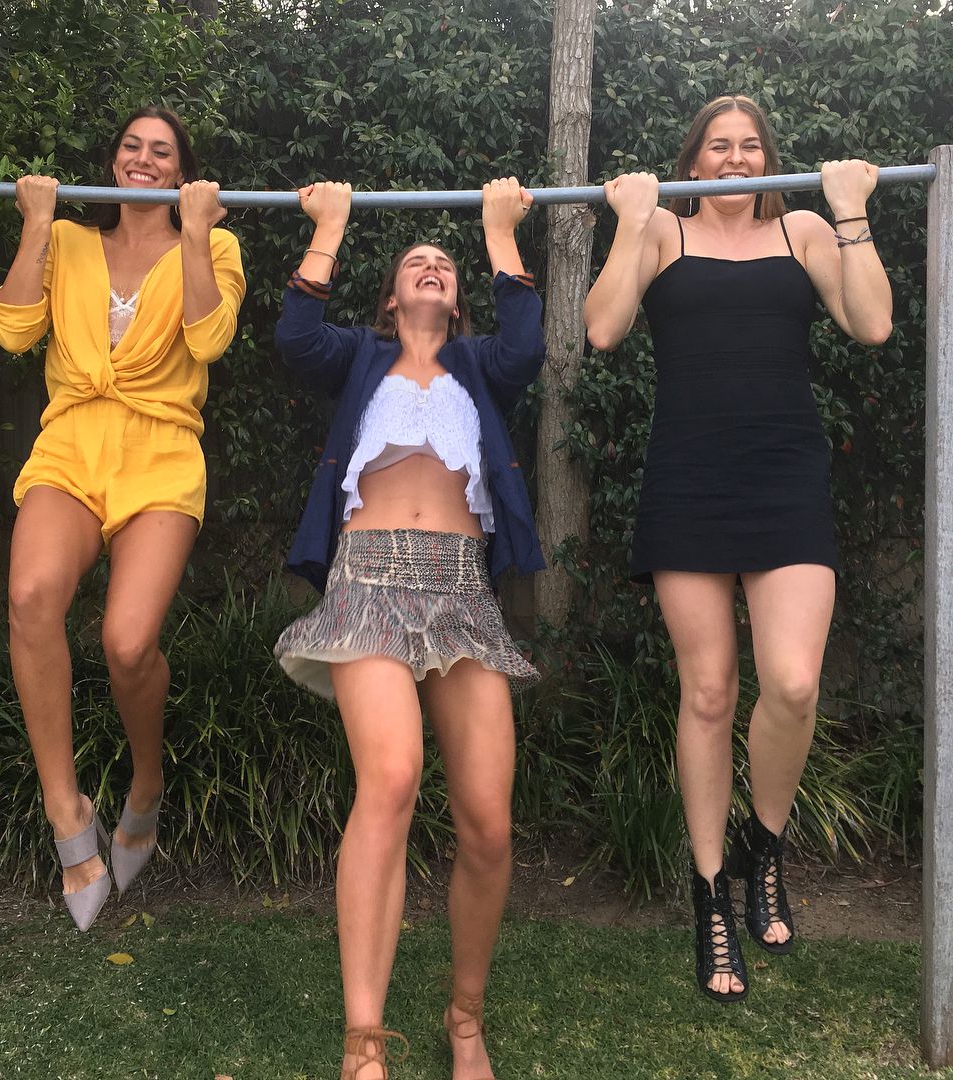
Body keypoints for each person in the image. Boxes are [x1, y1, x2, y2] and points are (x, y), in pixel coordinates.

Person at [583, 94, 892, 1003]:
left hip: (784, 476)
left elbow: (872, 323)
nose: (734, 158)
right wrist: (629, 220)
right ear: (693, 160)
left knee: (792, 683)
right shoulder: (662, 232)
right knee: (710, 691)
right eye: (717, 145)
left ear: (769, 158)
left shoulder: (803, 229)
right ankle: (712, 892)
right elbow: (602, 328)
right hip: (688, 479)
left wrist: (850, 208)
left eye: (750, 145)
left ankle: (766, 845)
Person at [273, 177, 544, 1079]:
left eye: (444, 264)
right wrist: (331, 226)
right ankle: (364, 1043)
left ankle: (465, 1018)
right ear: (390, 298)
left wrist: (499, 235)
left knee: (489, 823)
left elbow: (527, 347)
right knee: (389, 780)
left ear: (458, 300)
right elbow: (295, 338)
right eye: (414, 263)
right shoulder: (360, 357)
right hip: (370, 583)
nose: (431, 265)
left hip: (462, 592)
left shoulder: (479, 367)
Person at [0, 105, 246, 931]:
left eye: (161, 151)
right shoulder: (67, 240)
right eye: (132, 146)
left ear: (181, 171)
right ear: (113, 161)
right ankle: (67, 815)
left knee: (128, 643)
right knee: (30, 598)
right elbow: (14, 330)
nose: (143, 158)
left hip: (161, 452)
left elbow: (208, 340)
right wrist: (36, 224)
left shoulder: (215, 245)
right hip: (70, 444)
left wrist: (197, 233)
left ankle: (147, 781)